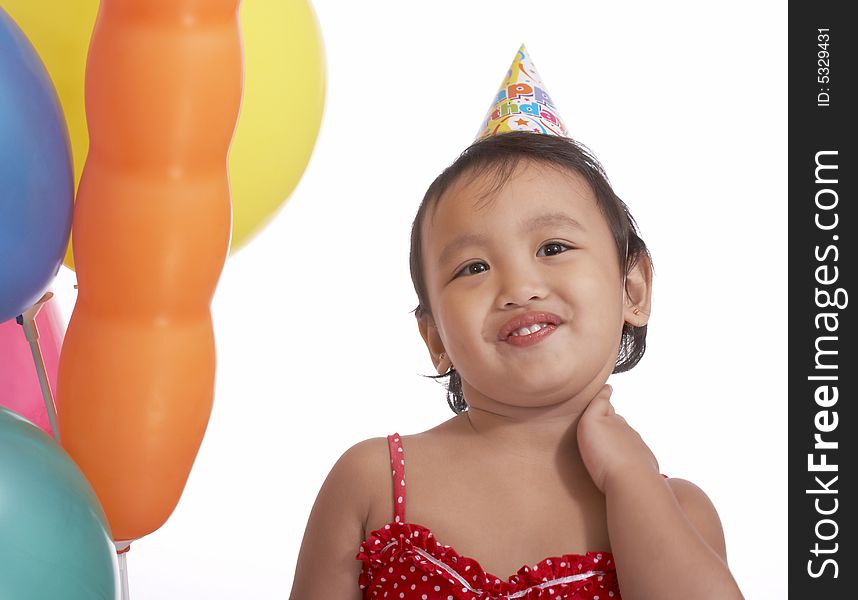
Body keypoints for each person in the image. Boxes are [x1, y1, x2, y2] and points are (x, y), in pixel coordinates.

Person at [289, 47, 744, 600]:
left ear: (633, 289)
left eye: (553, 246)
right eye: (473, 267)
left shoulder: (679, 510)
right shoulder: (373, 482)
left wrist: (632, 482)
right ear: (434, 337)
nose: (519, 287)